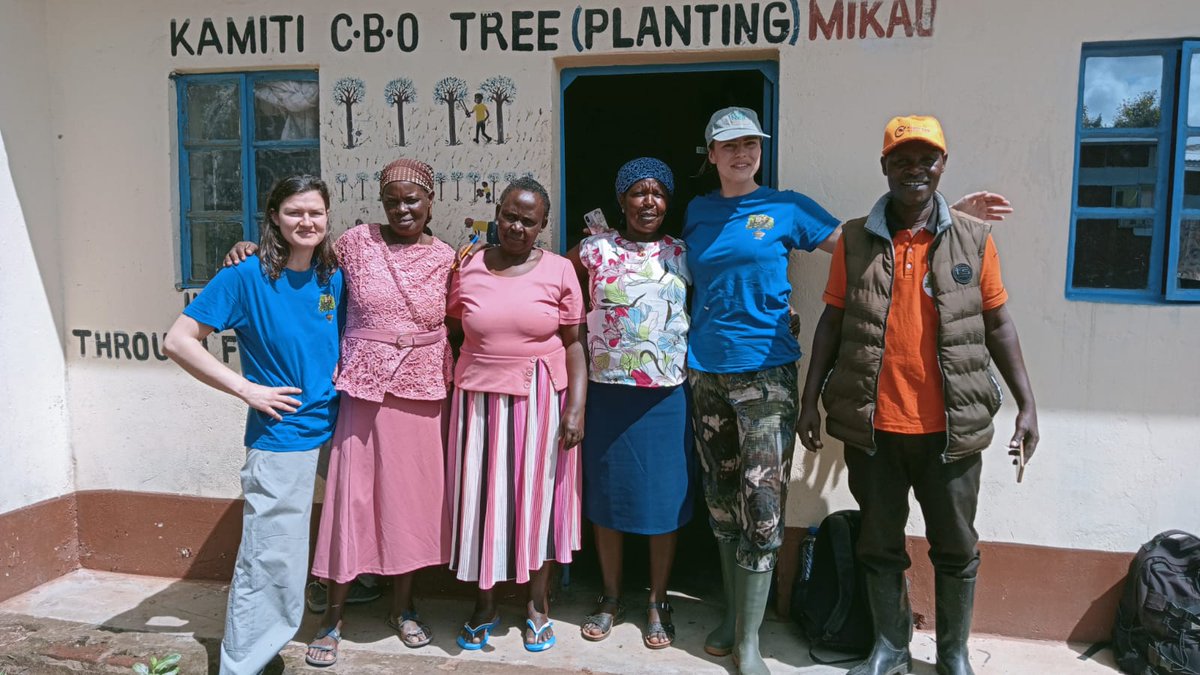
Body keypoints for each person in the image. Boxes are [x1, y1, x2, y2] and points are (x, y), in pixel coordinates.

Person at [683, 107, 1014, 675]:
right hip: (705, 370)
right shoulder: (696, 212)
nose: (742, 154)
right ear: (710, 154)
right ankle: (731, 618)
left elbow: (866, 244)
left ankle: (748, 643)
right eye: (728, 145)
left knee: (761, 507)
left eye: (750, 144)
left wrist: (947, 218)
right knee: (721, 501)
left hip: (766, 374)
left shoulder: (787, 207)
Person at [797, 115, 1038, 675]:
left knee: (956, 547)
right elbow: (831, 324)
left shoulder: (974, 239)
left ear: (942, 166)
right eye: (901, 159)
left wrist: (1028, 404)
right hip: (875, 428)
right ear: (884, 167)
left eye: (925, 159)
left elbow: (999, 325)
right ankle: (891, 647)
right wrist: (810, 401)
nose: (914, 169)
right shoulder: (855, 239)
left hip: (951, 433)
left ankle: (953, 654)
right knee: (879, 544)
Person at [223, 160, 456, 667]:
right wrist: (248, 246)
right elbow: (297, 256)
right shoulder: (354, 243)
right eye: (392, 199)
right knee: (351, 499)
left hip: (421, 388)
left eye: (412, 199)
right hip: (363, 387)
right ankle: (333, 619)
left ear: (431, 202)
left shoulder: (447, 257)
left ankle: (403, 607)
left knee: (409, 503)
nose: (402, 208)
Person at [163, 175, 343, 675]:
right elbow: (178, 341)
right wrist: (246, 389)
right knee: (270, 558)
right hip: (283, 434)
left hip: (336, 426)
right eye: (294, 212)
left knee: (329, 536)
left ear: (327, 218)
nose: (306, 221)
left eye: (315, 212)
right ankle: (245, 662)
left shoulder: (333, 275)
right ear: (274, 219)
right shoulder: (244, 277)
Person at [445, 177, 586, 654]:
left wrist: (575, 408)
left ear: (543, 225)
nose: (517, 226)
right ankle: (484, 604)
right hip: (477, 402)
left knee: (537, 500)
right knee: (482, 501)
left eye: (529, 220)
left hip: (541, 399)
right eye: (509, 215)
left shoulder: (560, 270)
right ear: (496, 212)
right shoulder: (466, 268)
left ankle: (536, 605)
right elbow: (450, 329)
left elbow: (575, 345)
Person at [565, 158, 694, 649]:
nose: (648, 202)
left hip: (666, 397)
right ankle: (611, 596)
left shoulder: (682, 251)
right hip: (608, 394)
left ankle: (658, 600)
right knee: (608, 499)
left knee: (665, 500)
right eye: (638, 192)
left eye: (658, 193)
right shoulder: (594, 250)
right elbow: (553, 284)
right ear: (621, 200)